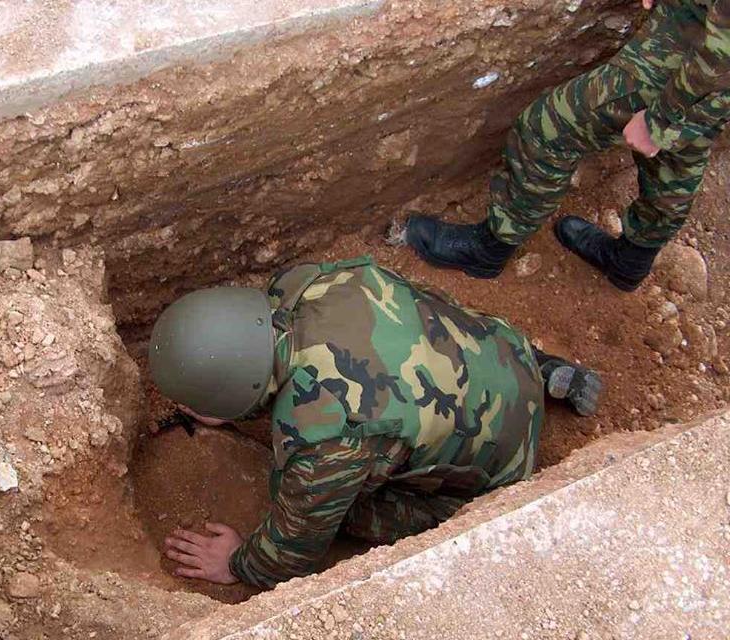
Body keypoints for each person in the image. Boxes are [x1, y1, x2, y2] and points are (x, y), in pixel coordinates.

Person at [149, 256, 602, 588]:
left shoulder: (322, 438)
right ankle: (549, 372)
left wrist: (239, 563)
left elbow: (296, 547)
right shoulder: (311, 283)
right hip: (508, 355)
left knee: (341, 510)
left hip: (503, 466)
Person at [391, 0, 730, 292]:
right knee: (687, 143)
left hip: (710, 57)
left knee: (545, 131)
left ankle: (489, 249)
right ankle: (630, 261)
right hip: (707, 38)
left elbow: (721, 58)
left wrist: (660, 121)